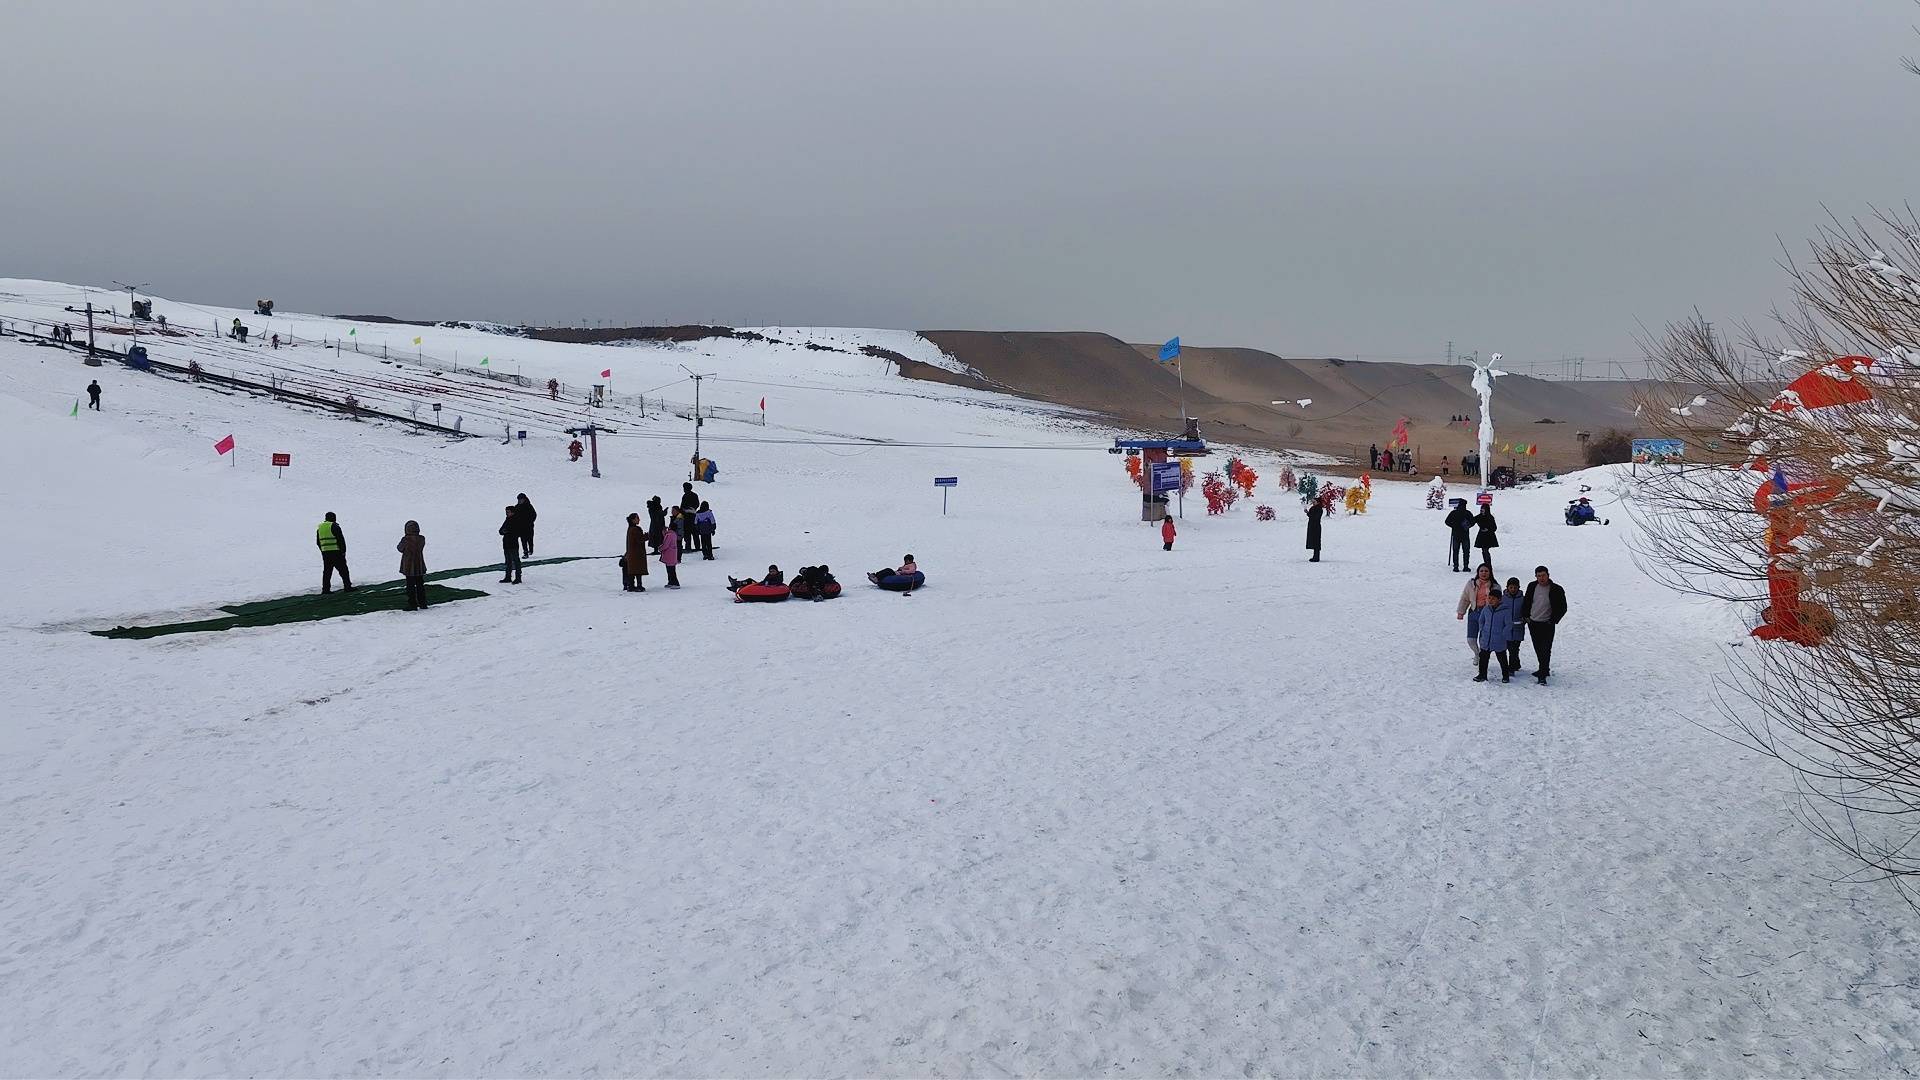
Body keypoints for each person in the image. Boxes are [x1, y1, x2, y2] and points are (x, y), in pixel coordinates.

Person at [1522, 565, 1569, 683]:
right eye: (1538, 576)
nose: (1541, 578)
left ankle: (1542, 674)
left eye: (1543, 575)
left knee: (1546, 648)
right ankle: (1544, 668)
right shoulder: (1532, 586)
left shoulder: (1556, 589)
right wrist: (1526, 617)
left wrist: (1553, 620)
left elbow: (1563, 607)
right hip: (1533, 622)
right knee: (1538, 648)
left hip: (1547, 624)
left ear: (1548, 575)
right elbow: (1526, 602)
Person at [1472, 582, 1518, 682]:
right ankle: (1482, 674)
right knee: (1483, 658)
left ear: (1499, 600)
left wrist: (1503, 634)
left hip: (1499, 640)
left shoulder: (1505, 611)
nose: (1491, 600)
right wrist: (1483, 630)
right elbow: (1481, 620)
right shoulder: (1486, 609)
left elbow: (1509, 624)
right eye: (1489, 598)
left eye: (1493, 598)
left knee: (1502, 659)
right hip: (1486, 639)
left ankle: (1505, 676)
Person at [1456, 563, 1495, 662]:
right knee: (1471, 639)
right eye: (1481, 571)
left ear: (1490, 572)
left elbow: (1498, 602)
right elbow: (1465, 598)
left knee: (1483, 639)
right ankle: (1477, 654)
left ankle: (1483, 657)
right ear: (1478, 572)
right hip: (1474, 612)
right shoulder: (1471, 583)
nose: (1483, 573)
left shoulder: (1495, 586)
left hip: (1487, 615)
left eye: (1486, 571)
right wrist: (1461, 612)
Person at [316, 511, 353, 593]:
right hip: (336, 552)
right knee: (343, 570)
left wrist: (323, 550)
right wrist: (343, 551)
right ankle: (347, 587)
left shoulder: (320, 527)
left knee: (327, 572)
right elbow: (341, 540)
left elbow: (318, 542)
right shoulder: (334, 526)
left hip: (325, 553)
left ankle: (325, 590)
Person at [397, 520, 428, 610]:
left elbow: (400, 548)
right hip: (419, 566)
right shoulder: (421, 539)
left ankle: (412, 604)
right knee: (420, 585)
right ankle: (423, 603)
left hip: (409, 566)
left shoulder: (406, 540)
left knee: (410, 586)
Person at [1502, 576, 1527, 675]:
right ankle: (1515, 664)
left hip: (1518, 628)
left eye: (1515, 588)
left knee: (1514, 648)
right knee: (1509, 647)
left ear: (1519, 588)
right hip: (1507, 628)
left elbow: (1526, 611)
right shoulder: (1503, 599)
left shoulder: (1523, 599)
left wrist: (1524, 619)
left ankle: (1512, 667)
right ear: (1507, 587)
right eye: (1511, 587)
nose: (1513, 589)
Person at [1444, 498, 1474, 572]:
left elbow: (1447, 521)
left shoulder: (1454, 513)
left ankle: (1456, 566)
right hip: (1465, 535)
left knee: (1455, 551)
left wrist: (1453, 525)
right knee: (1466, 551)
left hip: (1456, 534)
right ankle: (1466, 566)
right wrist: (1467, 526)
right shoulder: (1468, 513)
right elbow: (1473, 522)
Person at [622, 512, 649, 592]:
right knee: (637, 570)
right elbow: (639, 540)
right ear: (633, 520)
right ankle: (638, 586)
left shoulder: (630, 528)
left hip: (633, 553)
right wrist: (647, 536)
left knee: (632, 570)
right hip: (637, 554)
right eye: (637, 518)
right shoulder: (635, 529)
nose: (639, 519)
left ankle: (631, 586)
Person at [498, 506, 522, 583]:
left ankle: (518, 577)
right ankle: (508, 577)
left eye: (508, 512)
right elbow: (501, 530)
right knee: (508, 561)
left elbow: (517, 532)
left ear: (512, 512)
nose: (507, 513)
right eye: (506, 512)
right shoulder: (507, 519)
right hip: (506, 543)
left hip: (513, 543)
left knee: (515, 560)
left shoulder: (516, 520)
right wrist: (504, 531)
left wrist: (507, 531)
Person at [1473, 502, 1499, 573]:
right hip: (1482, 536)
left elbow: (1494, 527)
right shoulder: (1479, 516)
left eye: (1483, 509)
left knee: (1485, 550)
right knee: (1484, 551)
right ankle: (1487, 564)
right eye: (1481, 508)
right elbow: (1472, 520)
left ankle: (1488, 565)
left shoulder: (1490, 517)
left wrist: (1488, 529)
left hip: (1488, 536)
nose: (1482, 510)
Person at [658, 521, 681, 588]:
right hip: (671, 555)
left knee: (671, 570)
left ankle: (675, 583)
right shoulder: (673, 534)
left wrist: (660, 548)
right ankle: (671, 582)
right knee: (670, 569)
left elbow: (666, 545)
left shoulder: (669, 535)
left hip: (669, 555)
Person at [1304, 496, 1323, 562]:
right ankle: (1315, 556)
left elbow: (1316, 517)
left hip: (1316, 527)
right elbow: (1311, 516)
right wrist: (1307, 512)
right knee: (1314, 541)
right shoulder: (1313, 508)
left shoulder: (1319, 509)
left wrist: (1308, 513)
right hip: (1312, 526)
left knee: (1316, 542)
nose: (1313, 503)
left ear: (1318, 502)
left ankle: (1316, 557)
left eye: (1314, 501)